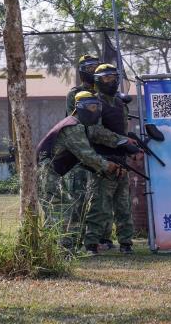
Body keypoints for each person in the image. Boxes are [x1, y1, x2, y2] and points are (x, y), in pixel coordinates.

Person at [36, 91, 128, 253]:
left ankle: (57, 249)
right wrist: (108, 166)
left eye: (96, 107)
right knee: (60, 208)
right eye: (90, 107)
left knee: (62, 207)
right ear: (79, 108)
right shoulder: (73, 127)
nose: (94, 111)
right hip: (47, 172)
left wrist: (109, 162)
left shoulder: (80, 126)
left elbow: (87, 154)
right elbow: (86, 155)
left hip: (52, 173)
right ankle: (61, 250)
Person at [84, 64, 135, 255]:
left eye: (114, 78)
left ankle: (126, 243)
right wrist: (121, 141)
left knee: (123, 205)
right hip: (102, 161)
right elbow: (95, 132)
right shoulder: (94, 103)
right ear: (97, 81)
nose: (112, 82)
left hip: (121, 160)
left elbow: (121, 130)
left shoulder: (120, 103)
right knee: (100, 206)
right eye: (107, 78)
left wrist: (130, 142)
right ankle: (91, 244)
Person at [64, 54, 104, 250]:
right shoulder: (76, 94)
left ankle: (97, 239)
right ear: (81, 71)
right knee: (78, 198)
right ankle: (73, 241)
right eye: (88, 68)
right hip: (80, 152)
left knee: (98, 199)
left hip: (100, 150)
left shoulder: (103, 92)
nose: (92, 71)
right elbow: (82, 123)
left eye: (95, 67)